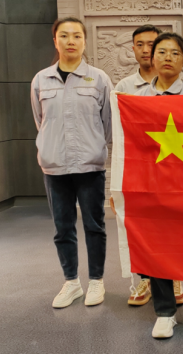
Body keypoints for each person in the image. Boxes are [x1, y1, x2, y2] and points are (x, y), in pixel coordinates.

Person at [30, 17, 112, 309]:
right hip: (55, 166)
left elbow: (107, 125)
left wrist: (93, 146)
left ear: (84, 41)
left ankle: (97, 281)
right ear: (55, 41)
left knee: (94, 225)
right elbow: (41, 121)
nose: (70, 41)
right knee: (62, 227)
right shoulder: (41, 80)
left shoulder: (99, 79)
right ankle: (71, 282)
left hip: (90, 165)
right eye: (64, 36)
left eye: (76, 36)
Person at [132, 32, 183, 339]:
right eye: (161, 52)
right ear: (152, 58)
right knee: (157, 248)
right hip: (150, 185)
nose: (168, 58)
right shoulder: (134, 96)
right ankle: (164, 313)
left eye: (175, 53)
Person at [111, 25, 183, 308]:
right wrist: (116, 184)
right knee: (144, 226)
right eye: (141, 45)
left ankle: (175, 275)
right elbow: (119, 138)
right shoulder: (124, 89)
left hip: (179, 169)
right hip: (142, 171)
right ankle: (145, 277)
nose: (148, 51)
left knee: (175, 225)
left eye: (153, 45)